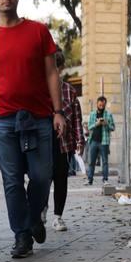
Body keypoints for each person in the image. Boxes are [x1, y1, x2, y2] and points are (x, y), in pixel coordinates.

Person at [0, 0, 65, 258]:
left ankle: (34, 216)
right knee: (11, 179)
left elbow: (51, 72)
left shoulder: (38, 31)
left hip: (39, 116)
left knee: (42, 175)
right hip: (2, 117)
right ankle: (21, 235)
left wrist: (58, 112)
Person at [48, 49, 84, 231]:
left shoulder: (69, 91)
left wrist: (80, 140)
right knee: (41, 178)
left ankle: (57, 216)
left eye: (56, 66)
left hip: (63, 144)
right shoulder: (40, 89)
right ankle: (41, 208)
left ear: (61, 68)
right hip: (44, 142)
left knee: (61, 178)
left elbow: (77, 117)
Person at [86, 96, 114, 185]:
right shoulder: (92, 114)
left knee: (105, 162)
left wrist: (106, 124)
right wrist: (96, 124)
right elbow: (89, 127)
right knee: (91, 161)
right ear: (97, 104)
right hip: (93, 141)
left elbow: (113, 127)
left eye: (103, 105)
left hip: (104, 141)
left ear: (105, 104)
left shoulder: (108, 115)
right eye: (100, 104)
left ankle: (105, 179)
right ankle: (90, 179)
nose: (101, 106)